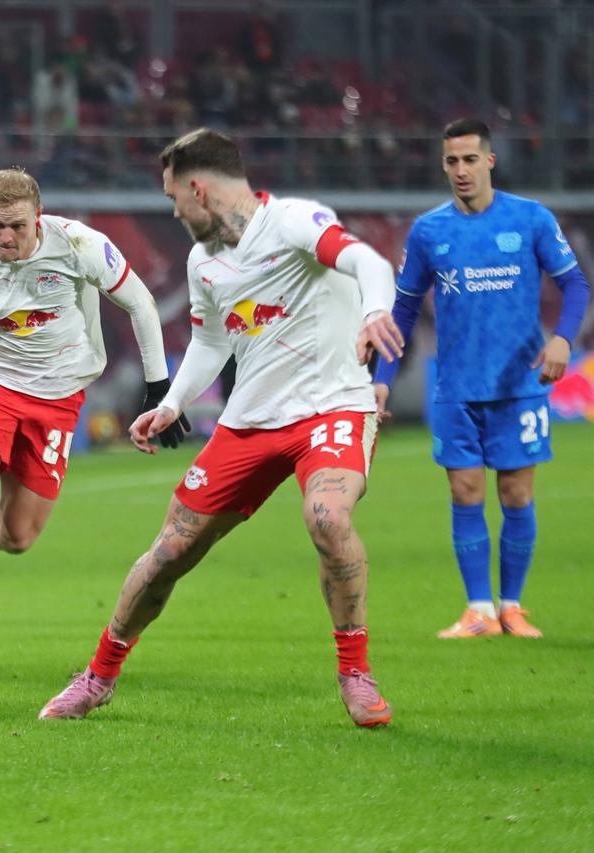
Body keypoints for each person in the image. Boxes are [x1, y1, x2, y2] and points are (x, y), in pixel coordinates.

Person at [38, 128, 405, 727]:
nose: (173, 211)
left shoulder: (293, 222)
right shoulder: (203, 262)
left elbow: (367, 260)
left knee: (327, 517)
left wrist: (374, 312)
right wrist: (172, 403)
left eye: (173, 197)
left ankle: (355, 675)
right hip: (250, 421)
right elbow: (211, 342)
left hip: (332, 407)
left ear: (198, 189)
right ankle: (97, 677)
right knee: (170, 550)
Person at [0, 167, 188, 671]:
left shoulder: (79, 245)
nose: (5, 237)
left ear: (39, 217)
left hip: (59, 395)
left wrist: (158, 388)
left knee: (18, 535)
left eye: (16, 226)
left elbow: (141, 304)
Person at [373, 119, 590, 639]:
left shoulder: (530, 218)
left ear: (489, 161)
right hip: (456, 387)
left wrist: (563, 339)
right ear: (443, 165)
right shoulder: (429, 231)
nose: (461, 170)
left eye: (470, 159)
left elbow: (576, 284)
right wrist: (383, 377)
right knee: (465, 491)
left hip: (519, 385)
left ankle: (512, 606)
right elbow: (403, 310)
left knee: (515, 494)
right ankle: (478, 611)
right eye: (452, 161)